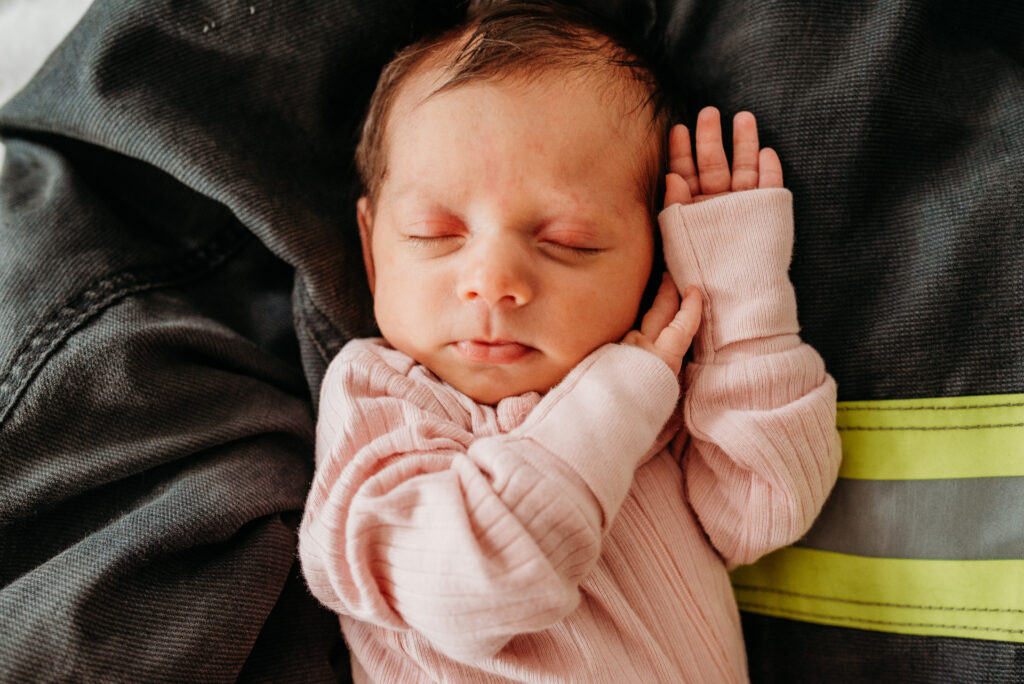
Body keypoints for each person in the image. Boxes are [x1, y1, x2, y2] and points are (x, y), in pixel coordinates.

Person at [297, 3, 840, 682]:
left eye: (568, 243)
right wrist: (620, 399)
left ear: (653, 261)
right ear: (374, 255)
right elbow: (471, 585)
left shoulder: (658, 391)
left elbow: (764, 509)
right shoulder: (383, 403)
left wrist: (735, 302)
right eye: (435, 234)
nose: (493, 283)